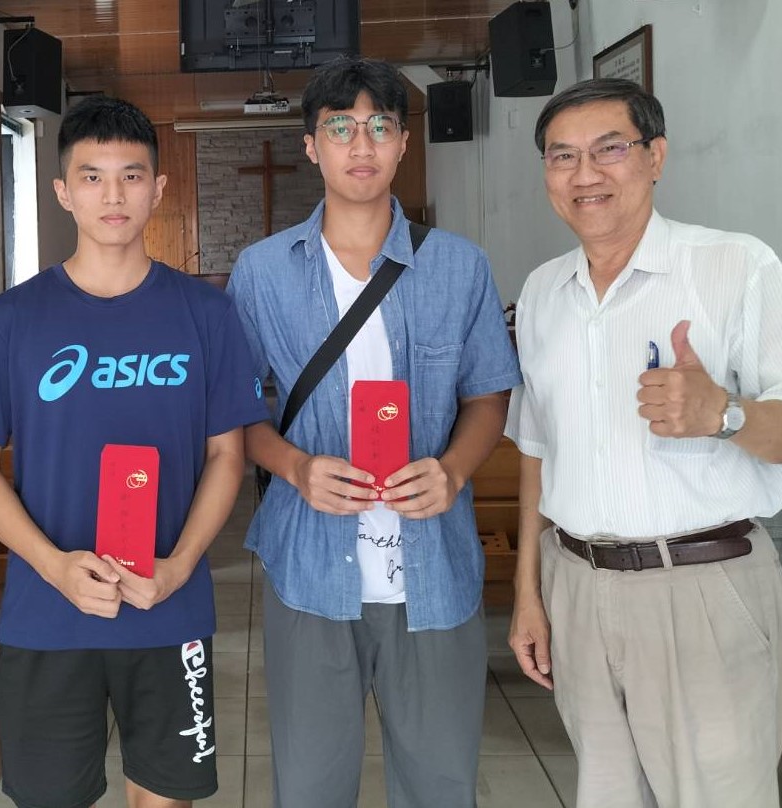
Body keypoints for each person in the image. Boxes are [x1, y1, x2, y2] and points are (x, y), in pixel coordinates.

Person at [505, 78, 782, 808]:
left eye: (609, 149)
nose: (585, 174)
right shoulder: (541, 293)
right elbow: (535, 449)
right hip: (577, 586)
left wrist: (724, 414)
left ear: (655, 157)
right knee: (606, 795)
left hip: (702, 586)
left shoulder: (734, 266)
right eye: (562, 156)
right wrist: (528, 594)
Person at [0, 95, 268, 808]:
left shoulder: (207, 314)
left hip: (168, 606)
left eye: (131, 175)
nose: (113, 195)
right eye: (92, 177)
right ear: (63, 192)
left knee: (166, 796)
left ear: (159, 188)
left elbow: (228, 456)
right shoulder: (9, 320)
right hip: (47, 611)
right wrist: (54, 566)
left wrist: (179, 566)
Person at [227, 56, 521, 807]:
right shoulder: (263, 272)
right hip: (309, 567)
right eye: (341, 128)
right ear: (311, 145)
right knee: (310, 786)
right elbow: (233, 412)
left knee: (440, 783)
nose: (361, 145)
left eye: (380, 127)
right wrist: (295, 467)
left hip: (435, 566)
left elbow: (488, 394)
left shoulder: (459, 267)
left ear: (403, 143)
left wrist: (453, 469)